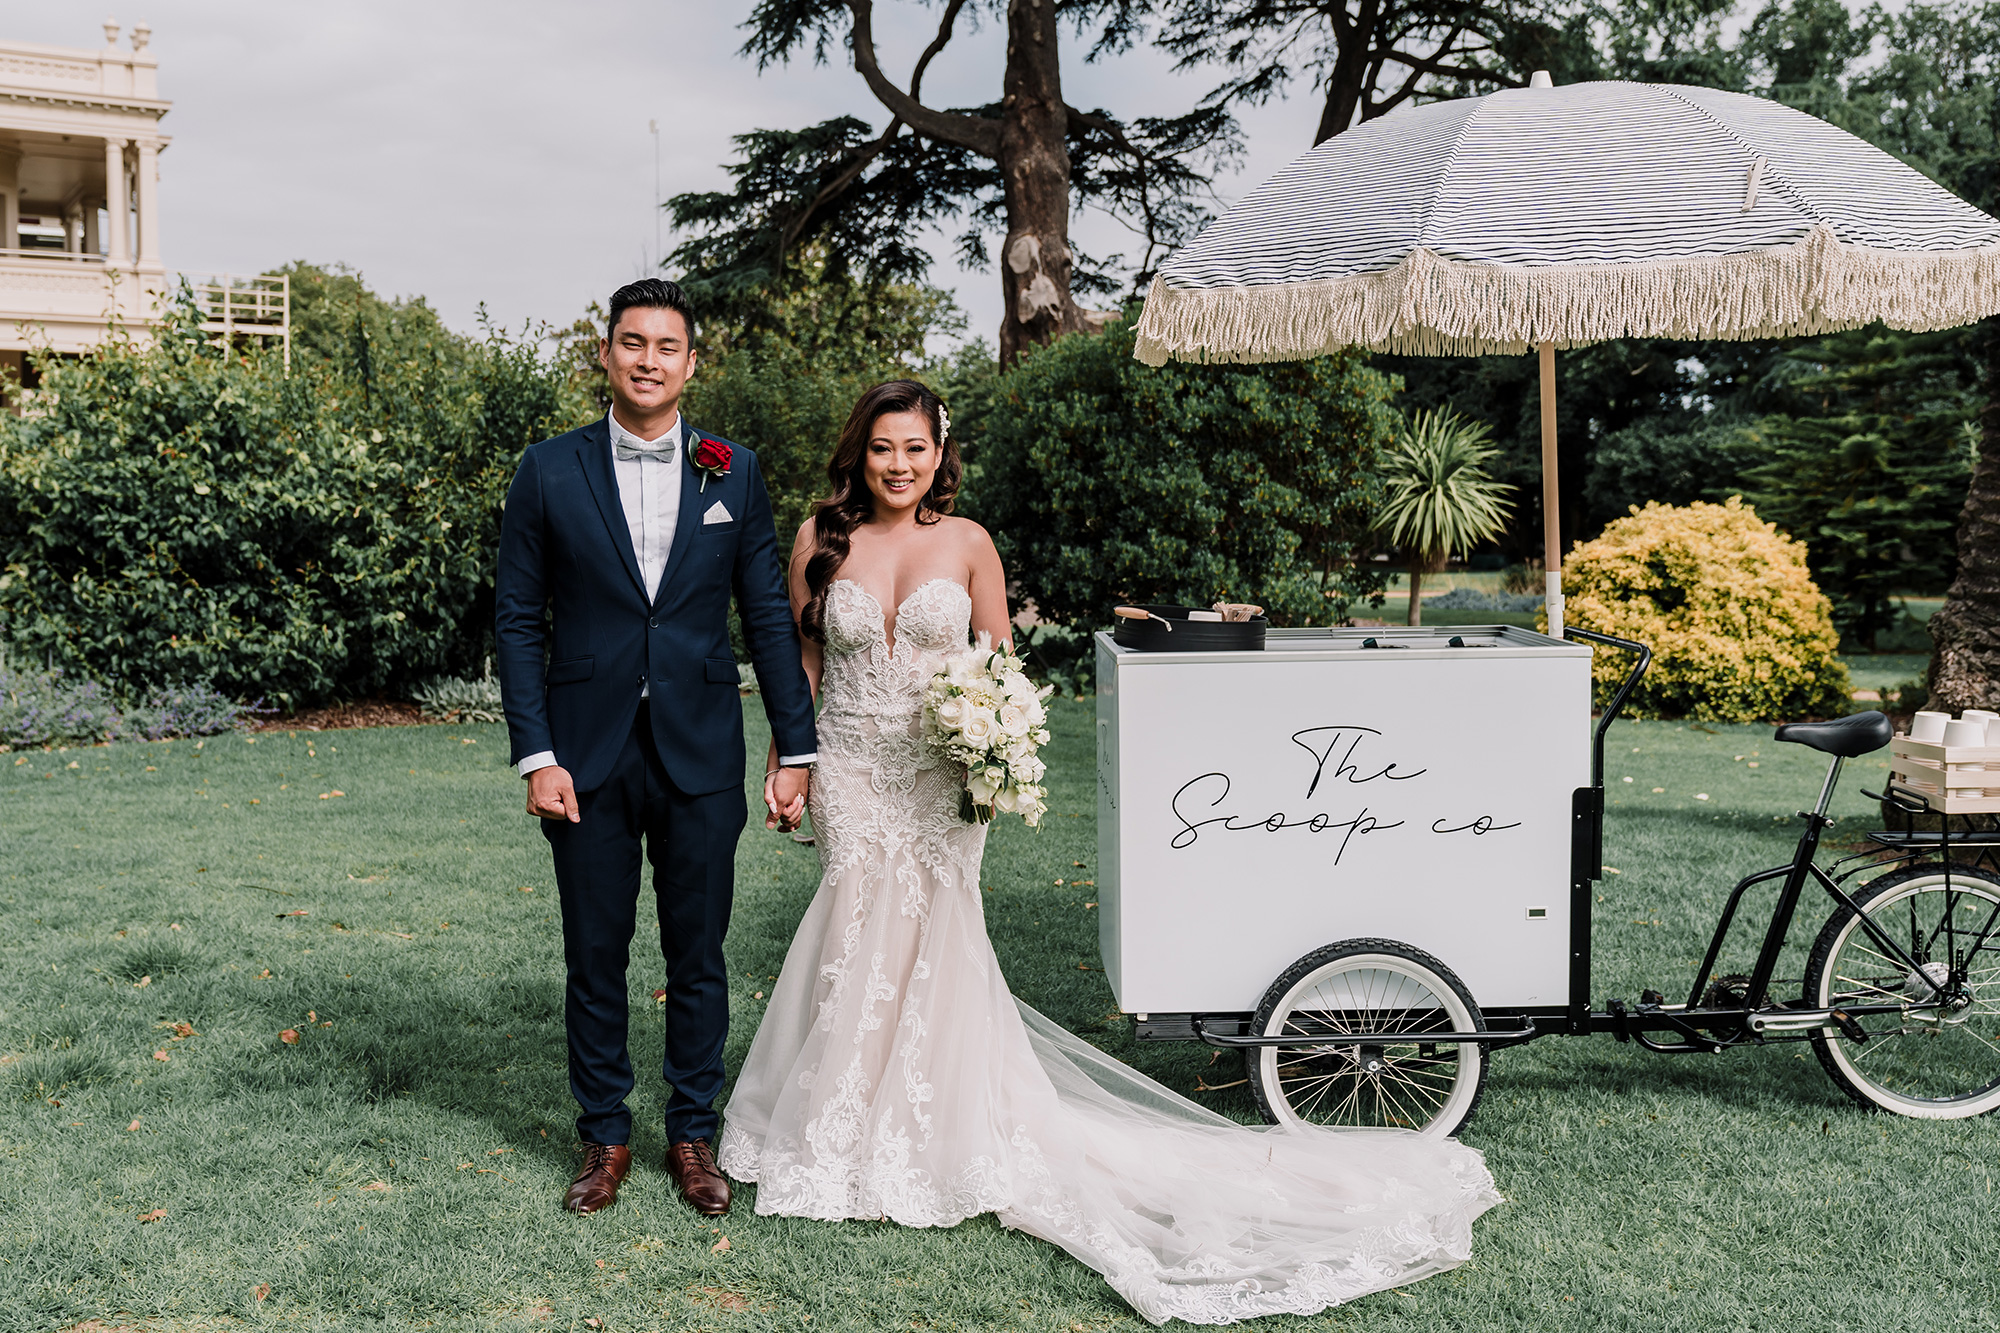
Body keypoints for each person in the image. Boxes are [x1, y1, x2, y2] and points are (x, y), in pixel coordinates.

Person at [719, 380, 1501, 1325]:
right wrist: (788, 761)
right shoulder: (820, 537)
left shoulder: (968, 544)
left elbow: (998, 663)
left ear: (939, 452)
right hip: (849, 760)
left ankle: (931, 1127)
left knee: (933, 935)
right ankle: (838, 1124)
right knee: (854, 922)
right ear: (860, 451)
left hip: (941, 774)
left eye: (915, 449)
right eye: (883, 447)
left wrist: (992, 743)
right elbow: (804, 664)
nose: (898, 465)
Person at [494, 278, 817, 1218]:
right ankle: (603, 1135)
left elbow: (765, 614)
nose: (647, 360)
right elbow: (519, 620)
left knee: (699, 952)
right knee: (594, 952)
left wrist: (794, 746)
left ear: (689, 362)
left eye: (666, 346)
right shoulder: (548, 468)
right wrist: (535, 754)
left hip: (700, 749)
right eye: (631, 343)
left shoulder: (734, 471)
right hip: (584, 756)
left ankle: (692, 1133)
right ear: (605, 354)